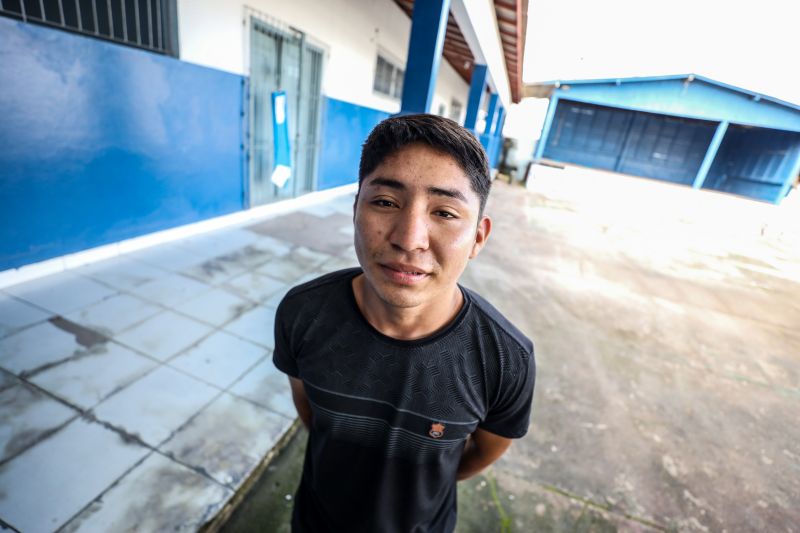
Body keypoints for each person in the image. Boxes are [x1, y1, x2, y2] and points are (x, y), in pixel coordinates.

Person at [273, 113, 536, 532]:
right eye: (385, 202)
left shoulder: (504, 358)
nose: (409, 238)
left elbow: (483, 451)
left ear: (479, 238)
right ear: (355, 210)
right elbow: (311, 414)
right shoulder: (303, 313)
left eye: (445, 213)